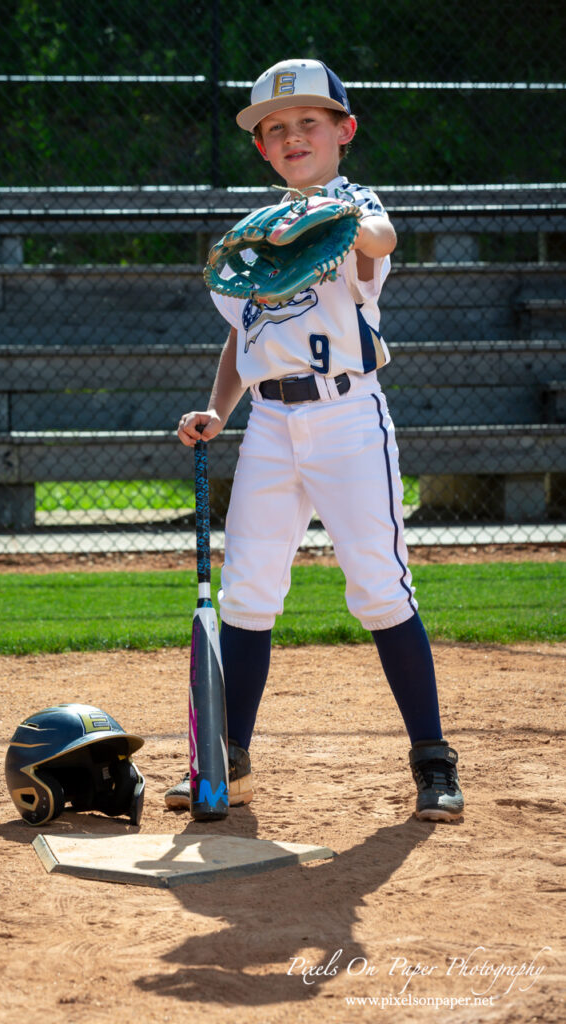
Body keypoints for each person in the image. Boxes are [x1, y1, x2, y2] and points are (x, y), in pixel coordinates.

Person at [165, 58, 464, 822]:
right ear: (262, 149)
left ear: (343, 132)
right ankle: (228, 761)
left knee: (378, 586)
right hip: (268, 424)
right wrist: (218, 411)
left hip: (347, 420)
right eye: (276, 129)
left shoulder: (353, 203)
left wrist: (330, 217)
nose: (293, 136)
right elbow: (244, 335)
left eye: (309, 123)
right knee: (250, 592)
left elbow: (381, 236)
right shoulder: (256, 234)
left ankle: (433, 761)